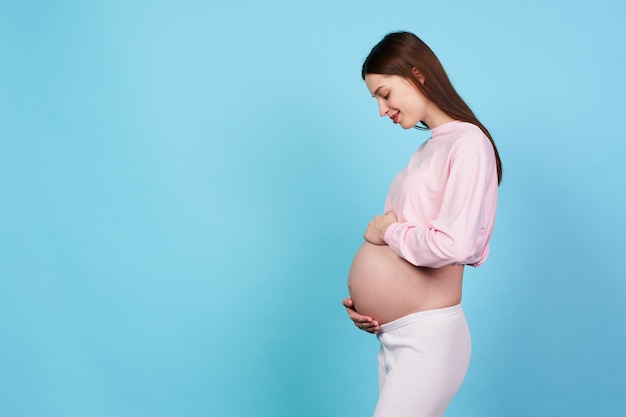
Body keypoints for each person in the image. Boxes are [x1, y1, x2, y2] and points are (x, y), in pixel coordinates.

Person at [342, 31, 502, 417]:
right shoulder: (427, 150)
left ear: (417, 75)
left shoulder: (468, 143)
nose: (382, 110)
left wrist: (386, 232)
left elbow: (455, 244)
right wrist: (364, 302)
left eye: (385, 94)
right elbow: (396, 250)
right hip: (394, 337)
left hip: (428, 338)